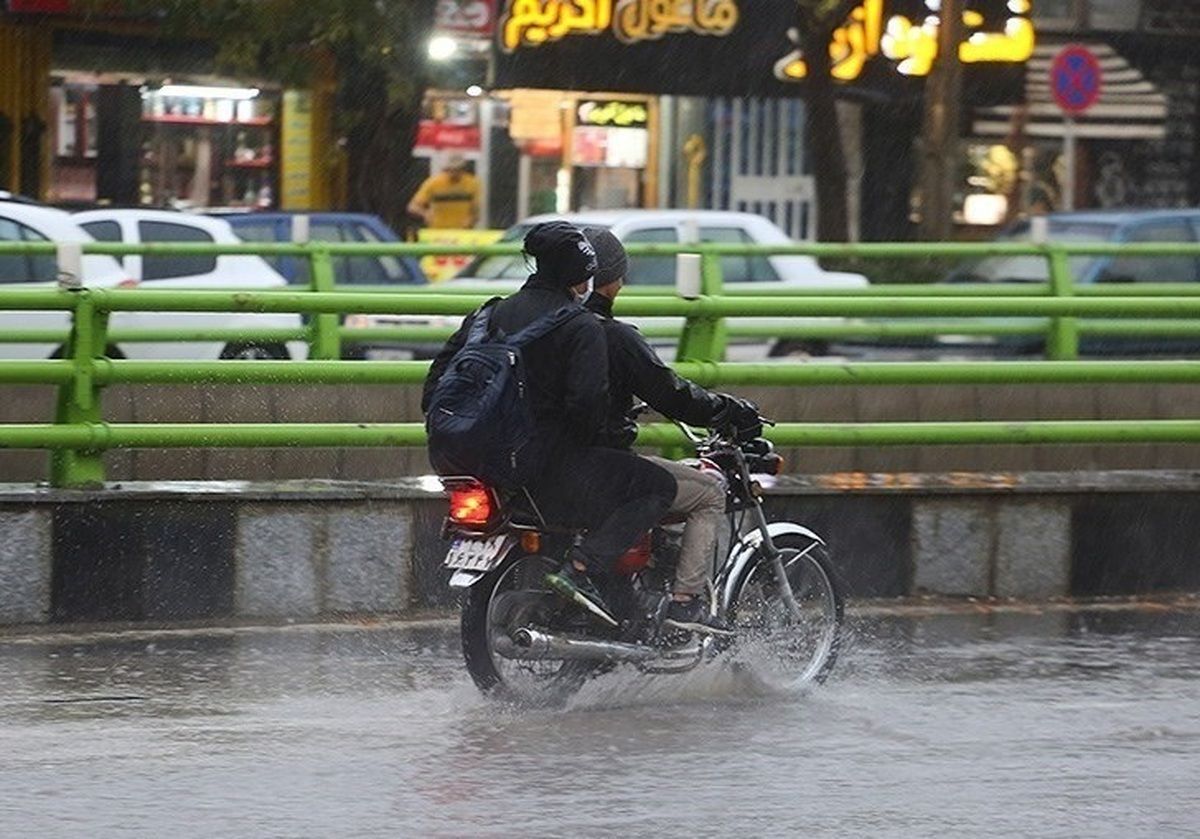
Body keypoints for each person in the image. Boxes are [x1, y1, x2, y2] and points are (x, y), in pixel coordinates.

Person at [422, 220, 677, 625]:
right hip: (539, 468)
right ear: (581, 276)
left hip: (468, 461)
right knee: (658, 485)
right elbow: (587, 408)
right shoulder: (580, 326)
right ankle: (583, 571)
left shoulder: (486, 315)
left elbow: (435, 383)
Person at [582, 227, 762, 635]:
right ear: (615, 280)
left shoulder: (535, 325)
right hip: (597, 466)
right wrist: (728, 411)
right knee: (708, 492)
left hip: (539, 461)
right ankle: (685, 603)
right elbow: (672, 394)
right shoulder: (612, 335)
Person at [407, 154, 481, 229]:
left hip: (461, 230)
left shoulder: (472, 183)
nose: (454, 173)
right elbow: (412, 206)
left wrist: (472, 219)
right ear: (446, 169)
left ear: (463, 169)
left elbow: (475, 210)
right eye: (451, 170)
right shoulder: (434, 183)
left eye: (458, 170)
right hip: (438, 230)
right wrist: (425, 213)